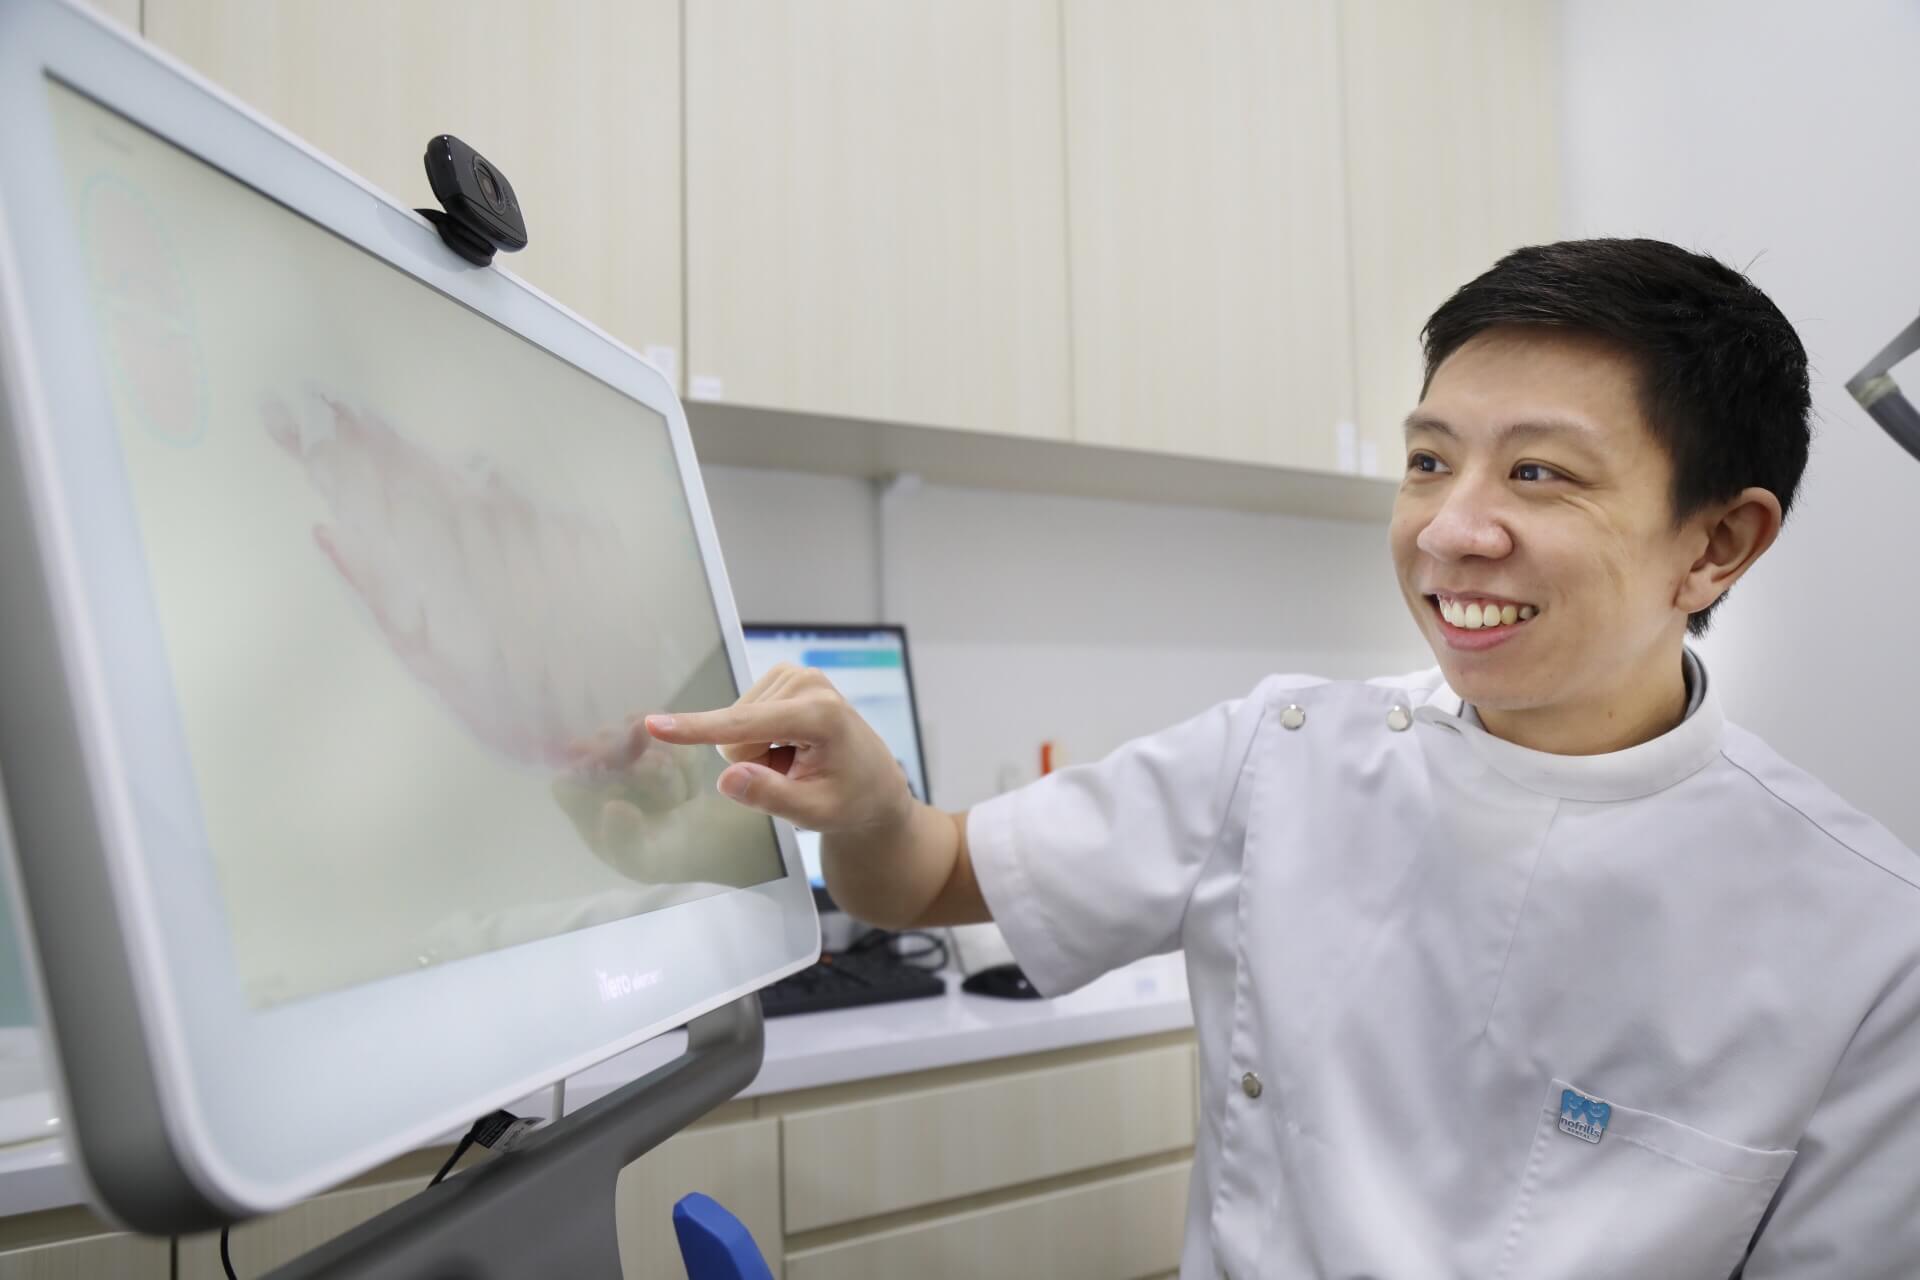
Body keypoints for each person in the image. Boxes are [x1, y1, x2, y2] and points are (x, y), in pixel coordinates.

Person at [643, 239, 1920, 1278]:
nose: (1451, 528)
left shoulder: (1868, 944)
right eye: (1428, 460)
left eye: (1539, 472)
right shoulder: (1287, 752)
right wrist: (871, 800)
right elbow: (920, 880)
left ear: (1718, 545)